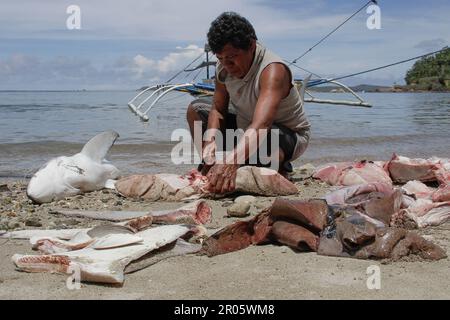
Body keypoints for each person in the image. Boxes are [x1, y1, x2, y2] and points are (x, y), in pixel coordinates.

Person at [186, 12, 310, 194]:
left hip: (285, 134)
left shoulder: (273, 70)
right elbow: (218, 110)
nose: (226, 65)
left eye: (232, 57)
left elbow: (262, 124)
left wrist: (231, 162)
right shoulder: (223, 67)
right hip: (246, 130)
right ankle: (213, 164)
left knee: (268, 140)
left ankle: (279, 165)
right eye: (220, 58)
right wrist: (210, 143)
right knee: (195, 109)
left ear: (252, 45)